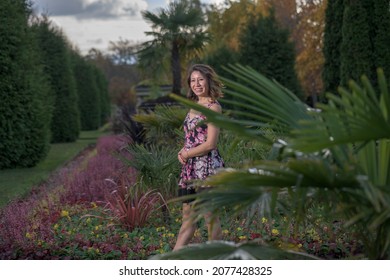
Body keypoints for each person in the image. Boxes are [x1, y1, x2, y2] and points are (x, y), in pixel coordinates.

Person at [173, 64, 225, 251]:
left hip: (208, 169)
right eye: (193, 80)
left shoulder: (214, 107)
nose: (197, 84)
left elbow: (210, 144)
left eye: (200, 79)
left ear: (209, 81)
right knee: (188, 221)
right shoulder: (193, 106)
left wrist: (186, 153)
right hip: (190, 170)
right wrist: (182, 150)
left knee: (211, 219)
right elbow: (192, 138)